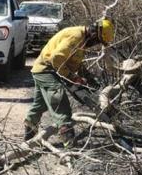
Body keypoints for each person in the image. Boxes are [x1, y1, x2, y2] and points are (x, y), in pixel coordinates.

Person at [23, 18, 115, 146]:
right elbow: (57, 59)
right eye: (98, 41)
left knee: (40, 105)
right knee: (59, 99)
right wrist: (73, 77)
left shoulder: (82, 39)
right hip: (46, 69)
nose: (96, 44)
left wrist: (89, 78)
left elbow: (74, 61)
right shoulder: (76, 37)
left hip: (48, 70)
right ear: (95, 34)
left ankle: (28, 139)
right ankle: (68, 142)